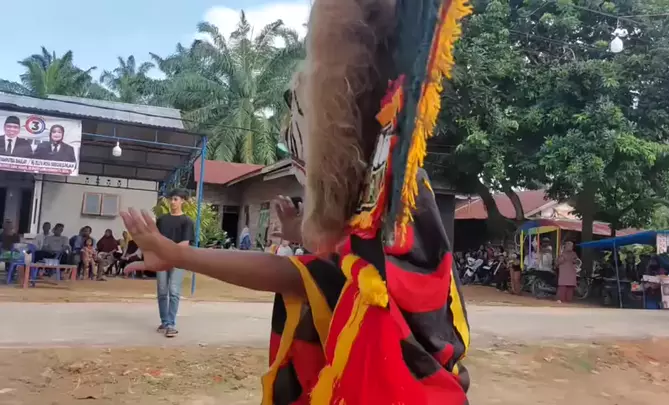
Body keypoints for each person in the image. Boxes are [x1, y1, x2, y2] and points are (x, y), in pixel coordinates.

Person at [122, 0, 472, 401]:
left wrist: (178, 254)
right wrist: (305, 236)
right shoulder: (368, 204)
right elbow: (340, 267)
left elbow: (319, 276)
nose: (291, 138)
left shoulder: (400, 194)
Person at [152, 189, 195, 338]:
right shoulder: (162, 220)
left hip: (177, 260)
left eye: (176, 199)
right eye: (171, 199)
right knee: (162, 291)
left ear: (182, 201)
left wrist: (171, 254)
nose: (172, 202)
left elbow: (185, 243)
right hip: (161, 259)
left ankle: (171, 324)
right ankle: (164, 322)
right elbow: (156, 239)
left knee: (174, 291)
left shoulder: (187, 221)